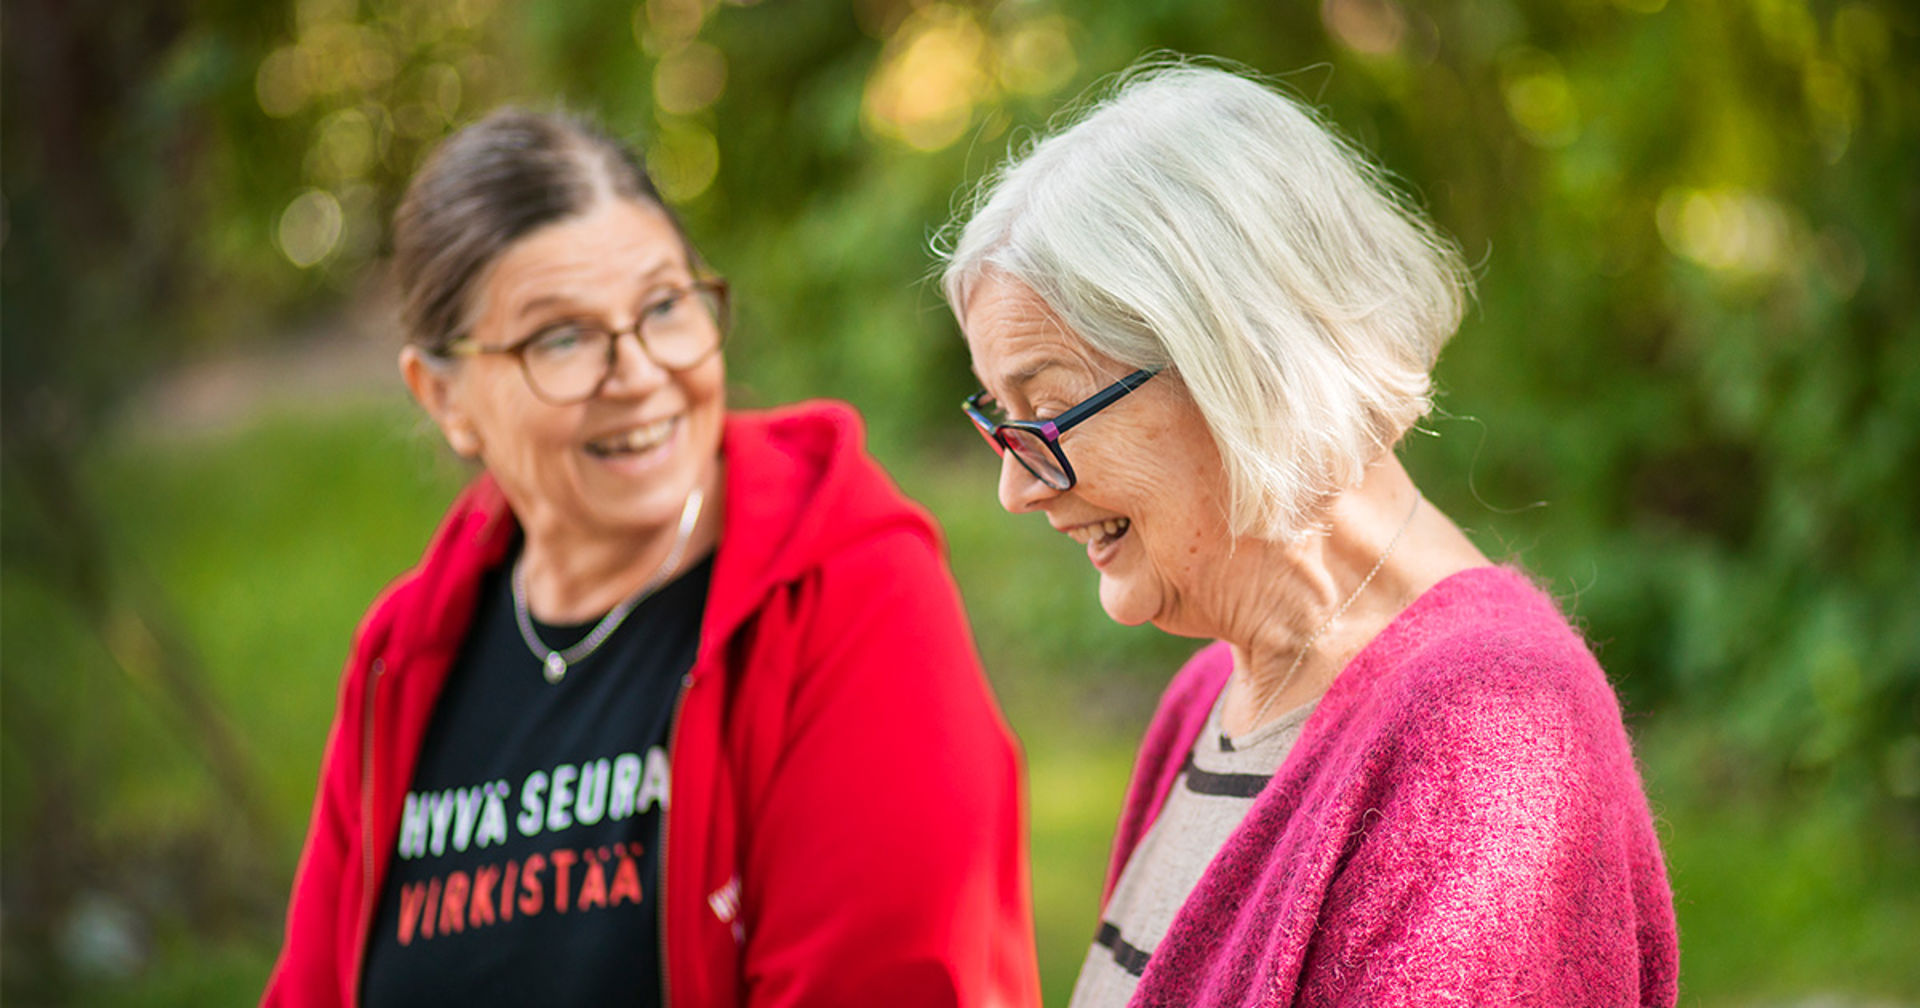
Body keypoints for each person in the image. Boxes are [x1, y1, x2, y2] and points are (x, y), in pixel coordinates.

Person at [263, 107, 1040, 1007]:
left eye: (665, 307)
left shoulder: (848, 594)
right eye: (562, 337)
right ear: (445, 395)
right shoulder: (406, 652)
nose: (636, 371)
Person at [939, 60, 1679, 1006]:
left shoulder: (1487, 739)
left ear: (1242, 364)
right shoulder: (1212, 694)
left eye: (1049, 410)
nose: (1015, 487)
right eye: (1001, 417)